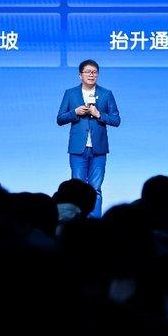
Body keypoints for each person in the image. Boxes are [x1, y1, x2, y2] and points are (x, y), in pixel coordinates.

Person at [56, 60, 121, 218]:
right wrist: (75, 112)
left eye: (94, 72)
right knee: (76, 189)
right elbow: (60, 119)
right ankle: (75, 222)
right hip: (78, 148)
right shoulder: (71, 93)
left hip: (99, 149)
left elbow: (116, 120)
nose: (91, 75)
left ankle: (95, 223)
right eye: (88, 72)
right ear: (80, 75)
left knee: (96, 188)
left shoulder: (106, 94)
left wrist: (99, 114)